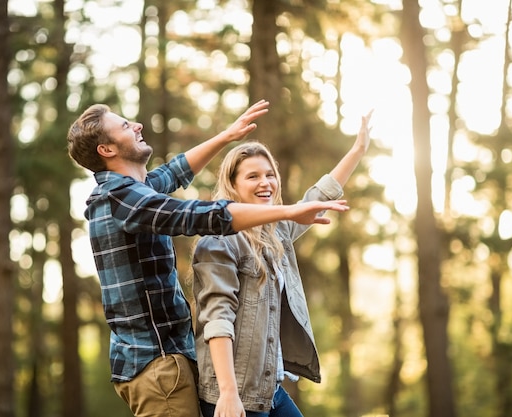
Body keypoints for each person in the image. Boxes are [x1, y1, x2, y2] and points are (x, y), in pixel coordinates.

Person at [66, 99, 351, 417]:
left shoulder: (134, 190)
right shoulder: (123, 199)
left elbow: (175, 172)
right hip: (158, 367)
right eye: (124, 126)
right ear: (107, 149)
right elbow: (192, 214)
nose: (137, 125)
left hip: (164, 360)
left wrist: (227, 136)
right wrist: (288, 211)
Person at [192, 110, 373, 417]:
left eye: (269, 174)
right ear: (232, 185)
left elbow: (319, 194)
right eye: (253, 176)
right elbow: (217, 318)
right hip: (234, 395)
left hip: (269, 390)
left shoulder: (275, 232)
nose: (266, 183)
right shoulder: (220, 239)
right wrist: (228, 394)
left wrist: (358, 150)